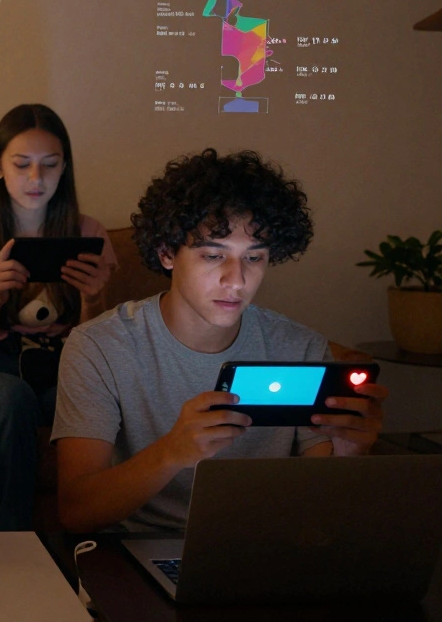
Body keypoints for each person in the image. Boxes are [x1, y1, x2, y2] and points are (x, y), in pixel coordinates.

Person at [52, 149, 388, 533]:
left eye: (255, 258)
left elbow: (322, 513)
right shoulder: (100, 346)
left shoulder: (302, 348)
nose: (237, 280)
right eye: (213, 255)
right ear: (166, 253)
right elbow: (77, 511)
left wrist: (349, 455)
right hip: (143, 552)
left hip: (265, 549)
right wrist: (172, 452)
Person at [0, 103, 116, 530]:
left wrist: (92, 300)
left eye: (49, 165)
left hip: (66, 366)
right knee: (10, 398)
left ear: (65, 167)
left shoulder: (90, 233)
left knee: (90, 402)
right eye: (22, 165)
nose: (36, 179)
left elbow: (108, 347)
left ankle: (99, 539)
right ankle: (7, 540)